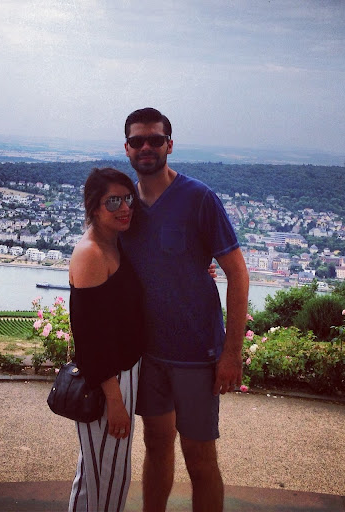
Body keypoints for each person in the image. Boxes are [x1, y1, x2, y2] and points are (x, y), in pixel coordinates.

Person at [119, 107, 250, 512]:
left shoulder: (198, 198)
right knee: (156, 444)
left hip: (196, 353)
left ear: (169, 145)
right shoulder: (124, 206)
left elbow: (238, 273)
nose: (146, 147)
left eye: (155, 140)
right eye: (138, 140)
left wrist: (232, 353)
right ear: (127, 148)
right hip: (147, 354)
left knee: (199, 456)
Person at [67, 167, 145, 512]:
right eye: (113, 201)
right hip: (108, 381)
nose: (124, 207)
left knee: (97, 475)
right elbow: (89, 338)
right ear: (94, 206)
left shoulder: (113, 242)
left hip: (123, 373)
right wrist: (115, 400)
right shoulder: (92, 253)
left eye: (128, 199)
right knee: (108, 476)